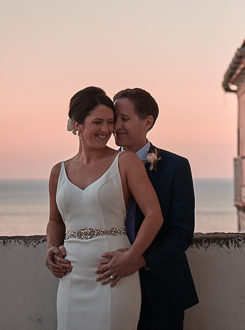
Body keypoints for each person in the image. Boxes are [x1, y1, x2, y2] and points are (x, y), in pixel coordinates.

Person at [46, 86, 163, 330]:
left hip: (113, 274)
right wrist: (52, 249)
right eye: (97, 122)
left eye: (110, 122)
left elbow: (154, 216)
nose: (106, 130)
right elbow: (56, 221)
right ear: (76, 124)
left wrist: (131, 258)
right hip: (71, 276)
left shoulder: (126, 161)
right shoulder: (58, 171)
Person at [96, 88, 199, 330]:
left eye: (124, 119)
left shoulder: (176, 166)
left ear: (147, 122)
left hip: (161, 289)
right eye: (114, 119)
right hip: (110, 286)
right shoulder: (100, 168)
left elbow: (182, 234)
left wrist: (138, 260)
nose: (115, 127)